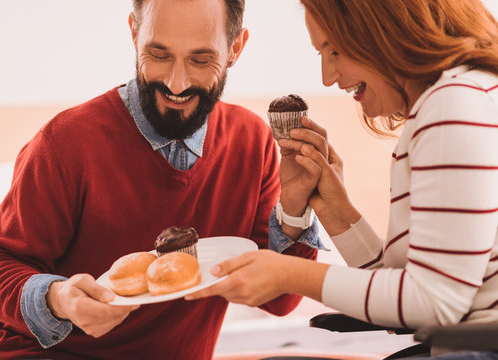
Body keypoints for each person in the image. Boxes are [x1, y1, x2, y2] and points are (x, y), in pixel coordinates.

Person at [0, 0, 322, 358]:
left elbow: (280, 301)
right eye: (159, 54)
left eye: (201, 60)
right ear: (135, 33)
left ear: (235, 48)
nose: (177, 83)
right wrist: (59, 299)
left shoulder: (253, 143)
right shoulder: (65, 142)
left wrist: (295, 208)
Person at [187, 0, 498, 357]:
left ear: (389, 28)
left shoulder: (453, 106)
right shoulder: (470, 94)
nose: (326, 77)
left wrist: (288, 274)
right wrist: (337, 212)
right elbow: (407, 289)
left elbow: (432, 302)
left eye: (334, 49)